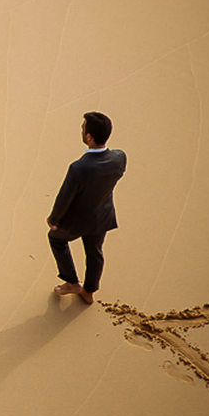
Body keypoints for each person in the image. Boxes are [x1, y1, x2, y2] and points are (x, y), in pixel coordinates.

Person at [47, 111, 126, 304]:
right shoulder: (119, 157)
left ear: (89, 137)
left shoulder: (79, 168)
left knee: (56, 239)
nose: (81, 130)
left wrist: (54, 219)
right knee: (95, 253)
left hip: (77, 221)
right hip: (102, 216)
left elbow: (65, 197)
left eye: (83, 128)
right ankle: (89, 291)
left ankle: (72, 282)